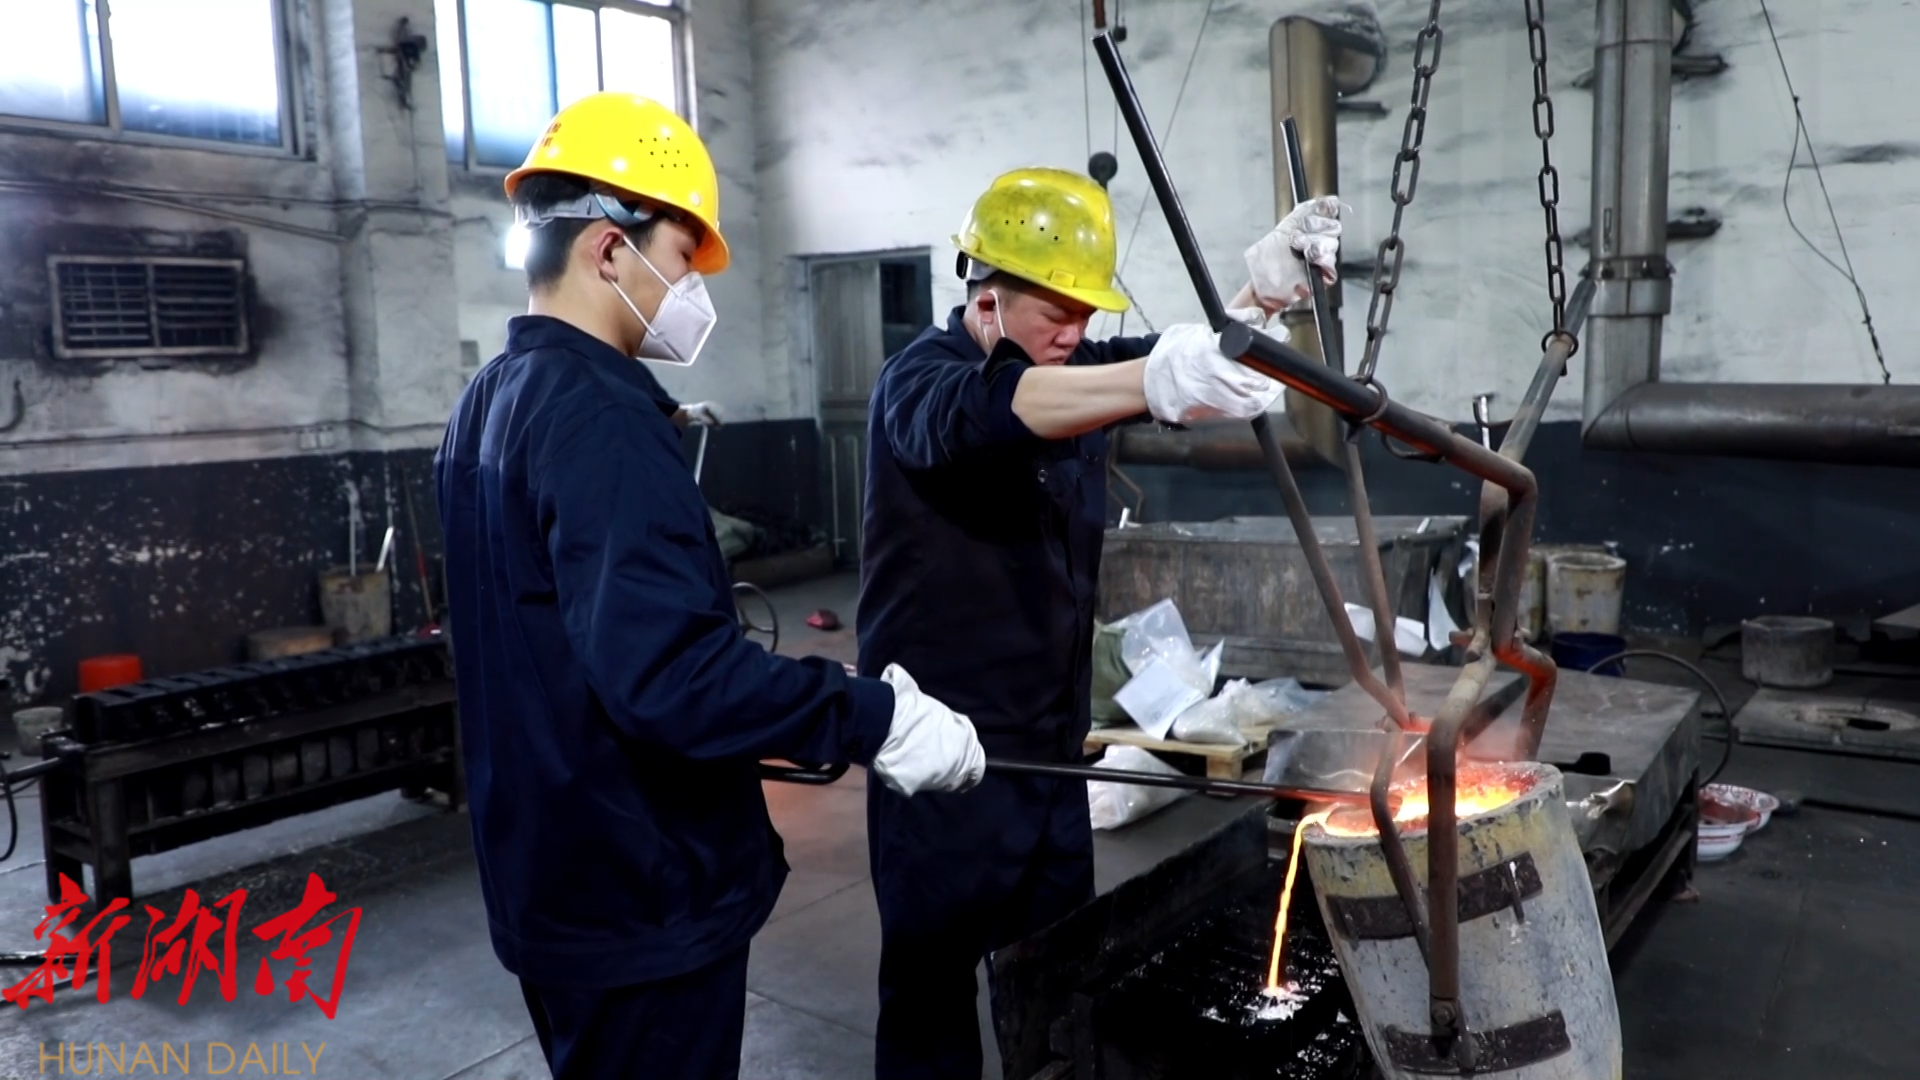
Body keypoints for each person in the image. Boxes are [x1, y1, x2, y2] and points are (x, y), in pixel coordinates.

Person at [433, 91, 987, 1080]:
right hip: (638, 891)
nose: (693, 290)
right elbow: (673, 679)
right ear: (611, 250)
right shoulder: (600, 415)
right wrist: (873, 717)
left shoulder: (488, 400)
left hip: (548, 878)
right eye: (684, 258)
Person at [855, 166, 1342, 1080]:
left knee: (1061, 982)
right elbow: (996, 411)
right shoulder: (916, 382)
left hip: (1051, 761)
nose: (1074, 332)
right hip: (942, 763)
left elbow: (1175, 368)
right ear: (987, 297)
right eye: (1057, 310)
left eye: (1087, 312)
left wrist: (1261, 298)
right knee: (929, 1007)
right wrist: (1152, 377)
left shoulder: (1070, 366)